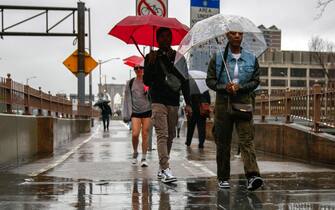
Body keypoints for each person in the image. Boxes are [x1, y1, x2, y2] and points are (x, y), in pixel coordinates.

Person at [206, 31, 263, 190]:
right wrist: (225, 87)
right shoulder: (217, 58)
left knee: (246, 139)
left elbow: (256, 81)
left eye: (240, 33)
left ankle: (253, 175)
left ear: (242, 36)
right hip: (223, 103)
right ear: (227, 36)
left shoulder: (252, 58)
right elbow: (210, 81)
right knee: (223, 141)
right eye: (233, 33)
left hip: (244, 102)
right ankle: (223, 177)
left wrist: (241, 87)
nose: (237, 36)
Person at [144, 27, 192, 183]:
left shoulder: (179, 59)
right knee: (162, 134)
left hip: (173, 101)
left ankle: (161, 167)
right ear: (157, 40)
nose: (166, 39)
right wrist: (150, 64)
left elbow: (185, 82)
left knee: (170, 135)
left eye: (168, 36)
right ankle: (165, 168)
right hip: (157, 101)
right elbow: (146, 81)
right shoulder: (151, 57)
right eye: (162, 37)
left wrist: (189, 104)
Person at [123, 65, 152, 167]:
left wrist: (149, 91)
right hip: (135, 112)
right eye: (136, 68)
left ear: (144, 69)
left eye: (141, 67)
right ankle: (135, 152)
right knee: (135, 134)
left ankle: (144, 157)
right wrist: (126, 114)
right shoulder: (130, 83)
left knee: (145, 134)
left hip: (147, 111)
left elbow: (154, 95)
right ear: (134, 70)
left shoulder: (148, 81)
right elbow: (126, 99)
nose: (139, 69)